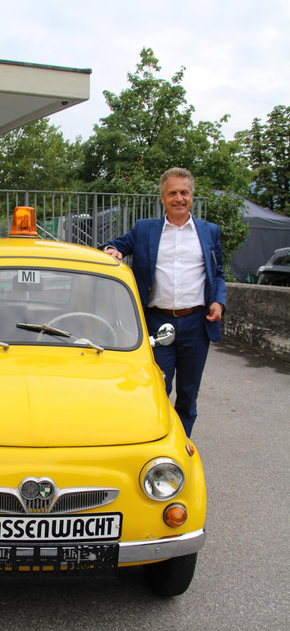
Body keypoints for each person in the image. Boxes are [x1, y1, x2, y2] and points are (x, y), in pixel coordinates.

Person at [101, 167, 226, 437]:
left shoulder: (209, 232)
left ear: (192, 196)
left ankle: (180, 444)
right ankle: (153, 440)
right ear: (163, 197)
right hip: (157, 323)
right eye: (172, 193)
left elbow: (218, 274)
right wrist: (113, 251)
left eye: (184, 192)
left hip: (196, 323)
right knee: (157, 388)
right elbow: (114, 245)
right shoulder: (145, 229)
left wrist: (219, 301)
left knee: (188, 393)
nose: (179, 198)